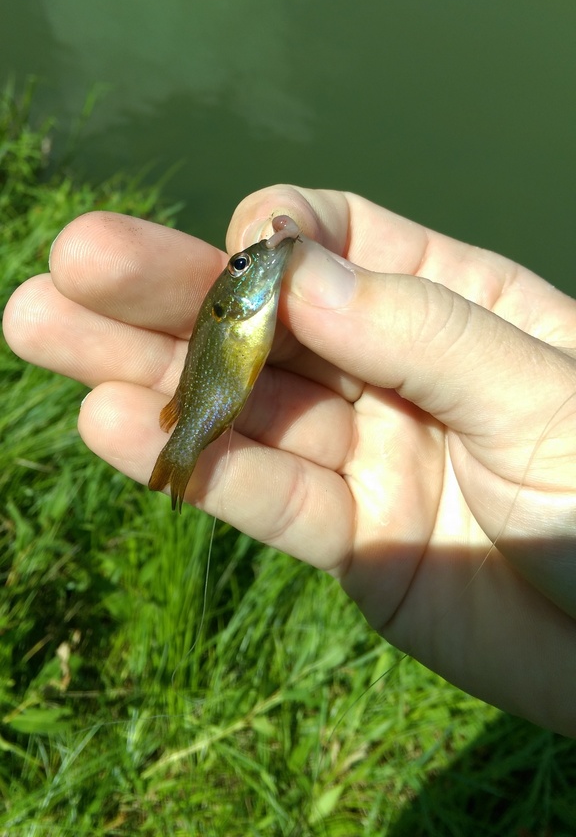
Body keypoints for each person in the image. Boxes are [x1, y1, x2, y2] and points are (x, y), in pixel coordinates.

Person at [3, 184, 576, 737]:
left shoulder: (247, 308)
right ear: (230, 303)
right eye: (239, 271)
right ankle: (178, 462)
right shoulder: (233, 314)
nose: (250, 263)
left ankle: (180, 460)